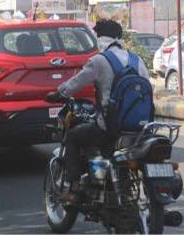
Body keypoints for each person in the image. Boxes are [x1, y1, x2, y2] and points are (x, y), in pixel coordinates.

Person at [46, 20, 149, 204]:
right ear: (119, 37)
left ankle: (75, 187)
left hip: (110, 128)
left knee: (73, 137)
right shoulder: (137, 59)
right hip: (141, 128)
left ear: (99, 38)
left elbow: (76, 83)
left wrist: (58, 93)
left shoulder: (100, 61)